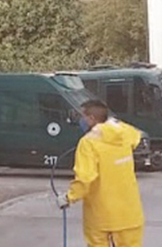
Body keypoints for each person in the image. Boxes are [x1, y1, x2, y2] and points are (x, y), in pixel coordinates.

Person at [57, 99, 145, 247]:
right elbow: (136, 136)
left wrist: (69, 198)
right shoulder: (124, 133)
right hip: (129, 214)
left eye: (82, 116)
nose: (80, 120)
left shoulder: (88, 143)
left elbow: (85, 178)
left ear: (91, 119)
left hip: (100, 215)